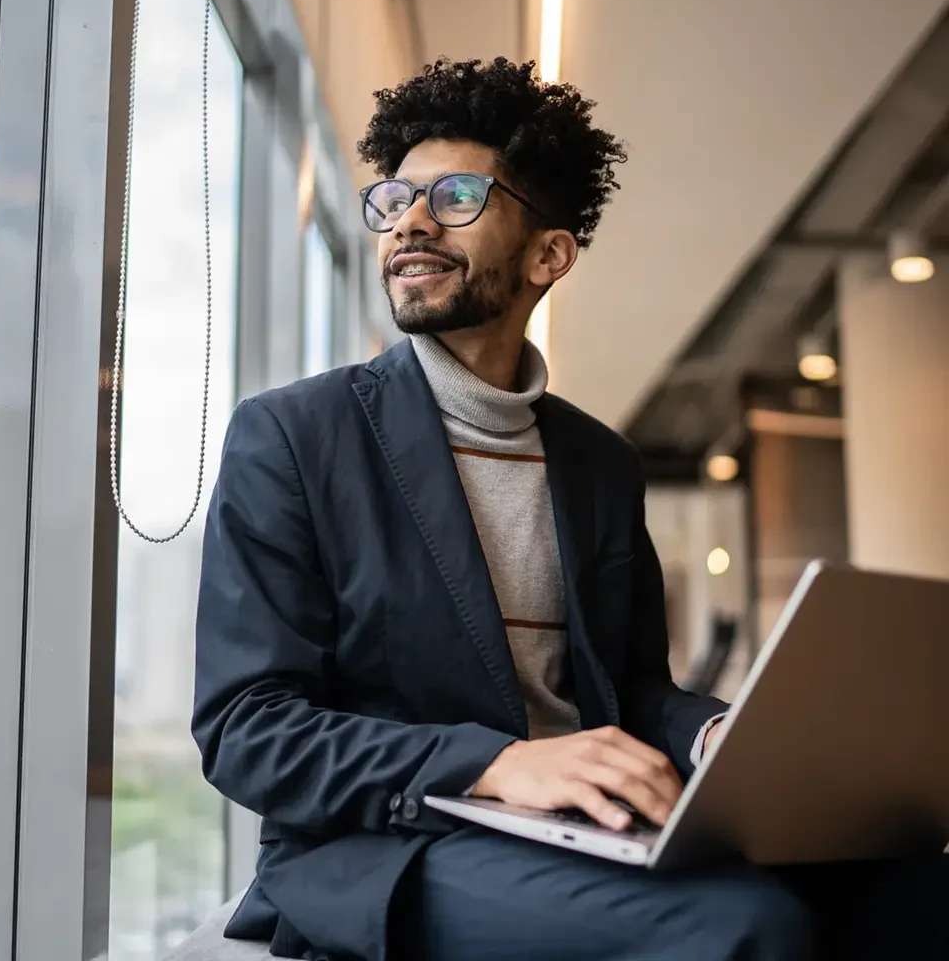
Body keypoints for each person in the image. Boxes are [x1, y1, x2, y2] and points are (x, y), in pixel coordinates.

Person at [193, 58, 948, 960]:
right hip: (391, 846)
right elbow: (249, 728)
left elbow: (627, 689)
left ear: (549, 254)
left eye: (458, 196)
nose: (413, 222)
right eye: (395, 199)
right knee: (749, 927)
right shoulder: (292, 435)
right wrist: (496, 764)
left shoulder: (600, 462)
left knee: (920, 887)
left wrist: (715, 734)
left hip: (581, 826)